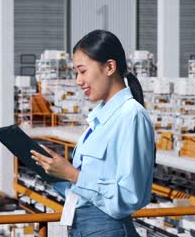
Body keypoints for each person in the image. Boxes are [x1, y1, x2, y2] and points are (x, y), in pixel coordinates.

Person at [31, 29, 154, 236]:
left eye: (83, 71)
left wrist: (72, 174)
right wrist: (55, 172)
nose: (78, 81)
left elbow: (129, 196)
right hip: (80, 226)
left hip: (107, 229)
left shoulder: (131, 116)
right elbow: (86, 188)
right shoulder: (99, 119)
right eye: (76, 73)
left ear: (109, 67)